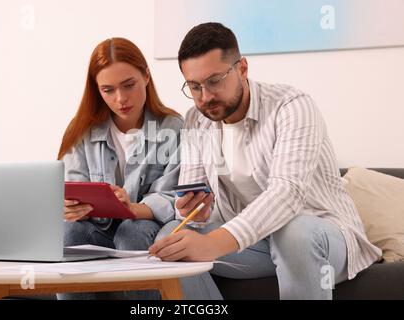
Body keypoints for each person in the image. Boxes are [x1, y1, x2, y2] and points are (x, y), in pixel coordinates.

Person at [149, 22, 382, 300]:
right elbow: (194, 194)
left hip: (322, 236)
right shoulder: (197, 120)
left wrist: (213, 243)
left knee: (293, 232)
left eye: (214, 81)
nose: (206, 97)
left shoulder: (292, 106)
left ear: (242, 68)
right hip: (256, 244)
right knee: (170, 241)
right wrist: (194, 212)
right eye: (195, 86)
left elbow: (287, 193)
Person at [57, 37, 183, 299]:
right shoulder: (81, 131)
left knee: (131, 231)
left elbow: (175, 197)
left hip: (143, 229)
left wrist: (133, 208)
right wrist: (68, 207)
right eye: (108, 90)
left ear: (146, 76)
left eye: (129, 85)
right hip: (95, 228)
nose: (121, 98)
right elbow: (70, 187)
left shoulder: (172, 127)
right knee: (66, 233)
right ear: (97, 90)